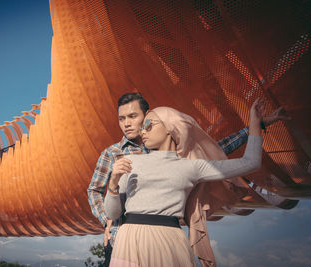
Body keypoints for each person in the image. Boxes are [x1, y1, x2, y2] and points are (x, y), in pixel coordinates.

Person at [87, 93, 289, 266]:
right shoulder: (114, 154)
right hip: (122, 240)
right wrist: (109, 223)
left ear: (147, 116)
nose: (126, 123)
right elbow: (95, 190)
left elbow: (214, 151)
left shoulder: (178, 155)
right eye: (121, 119)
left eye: (132, 116)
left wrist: (256, 124)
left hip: (166, 238)